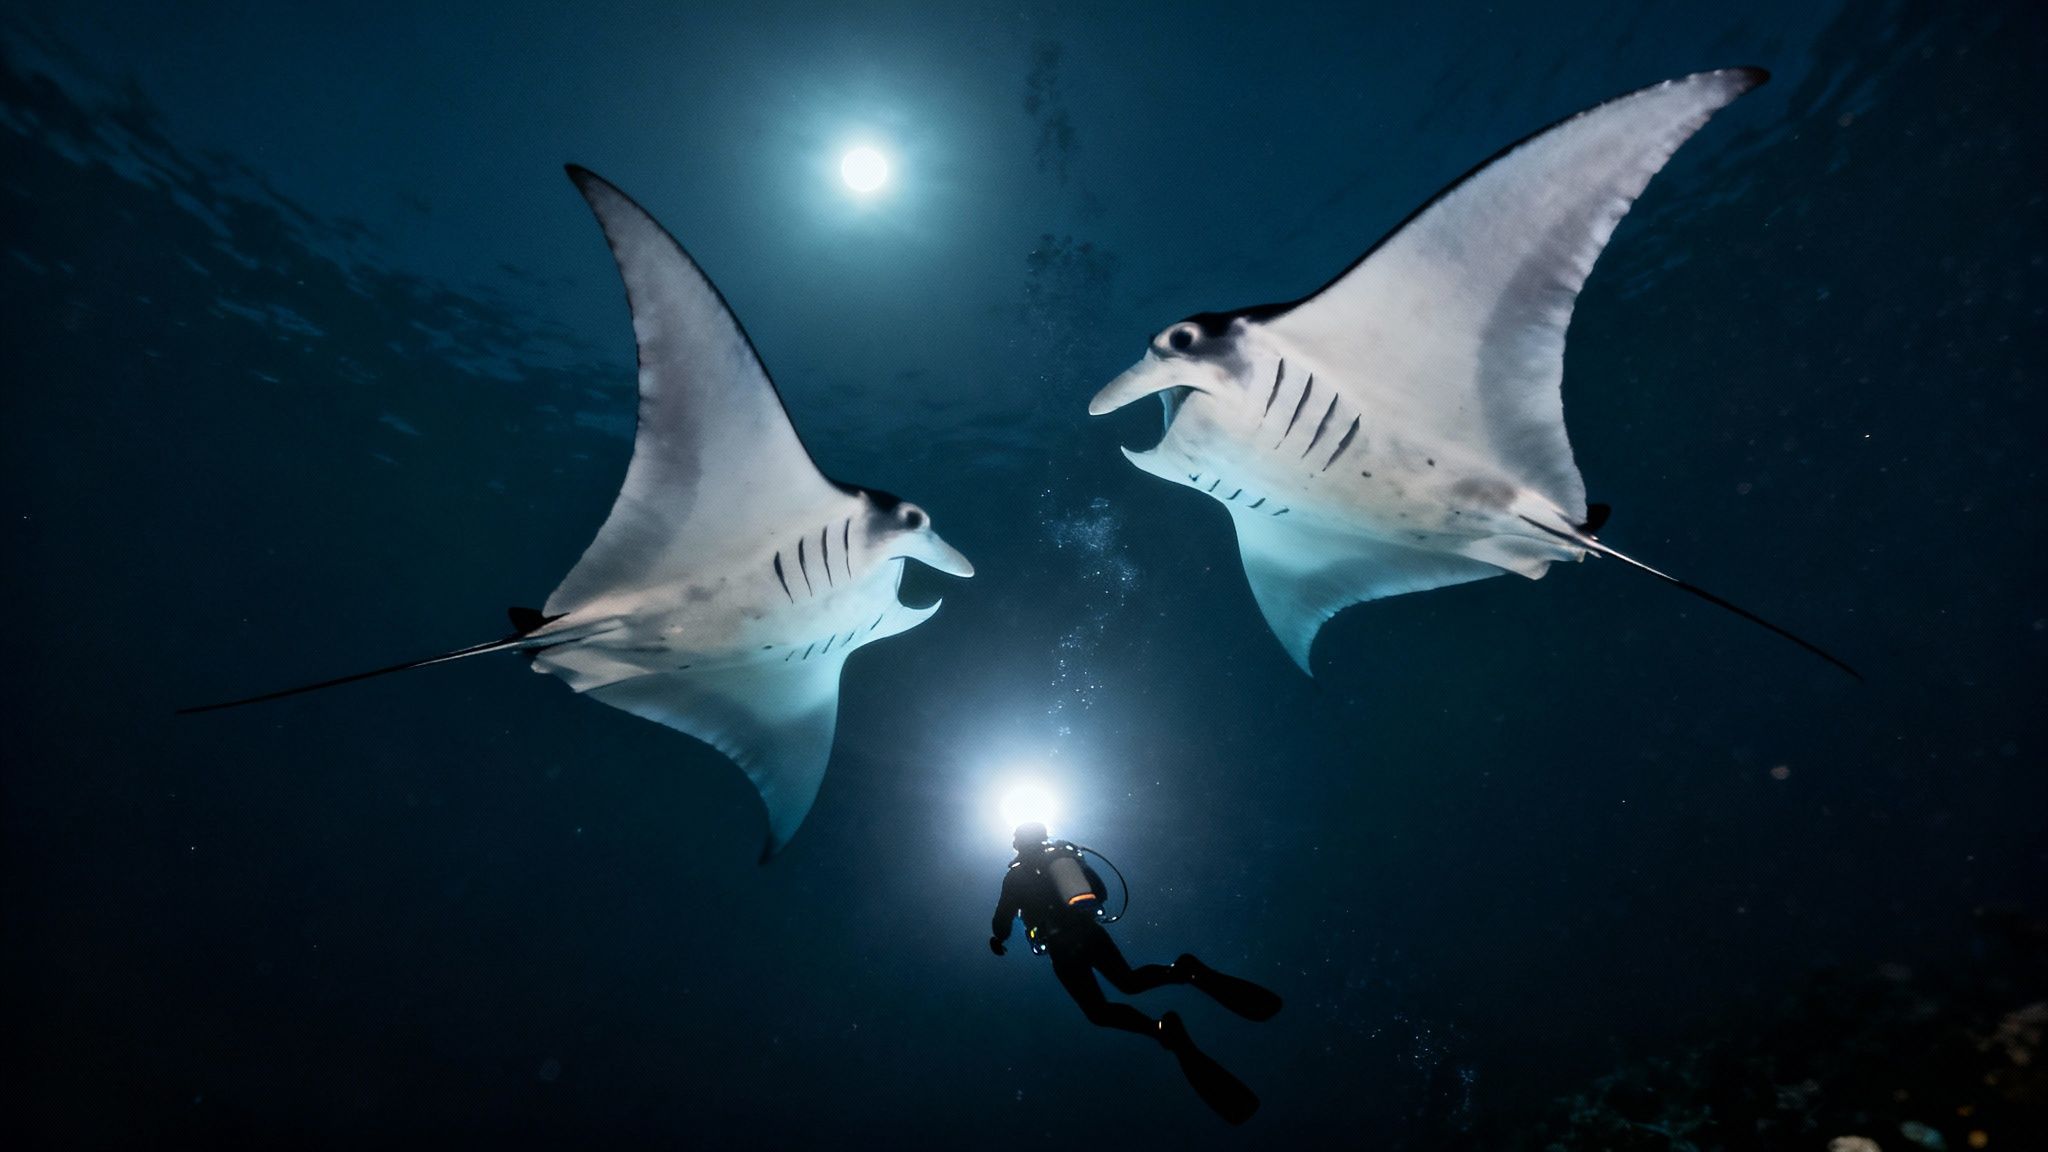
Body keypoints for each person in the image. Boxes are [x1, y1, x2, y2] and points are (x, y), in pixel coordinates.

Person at [988, 822, 1281, 1124]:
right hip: (1088, 933)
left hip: (1062, 949)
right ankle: (1182, 972)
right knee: (1128, 981)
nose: (1013, 842)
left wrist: (998, 939)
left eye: (1015, 839)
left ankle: (1160, 1030)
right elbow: (1099, 890)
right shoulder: (1064, 856)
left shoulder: (1016, 877)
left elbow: (1003, 919)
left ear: (1020, 844)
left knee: (1099, 1012)